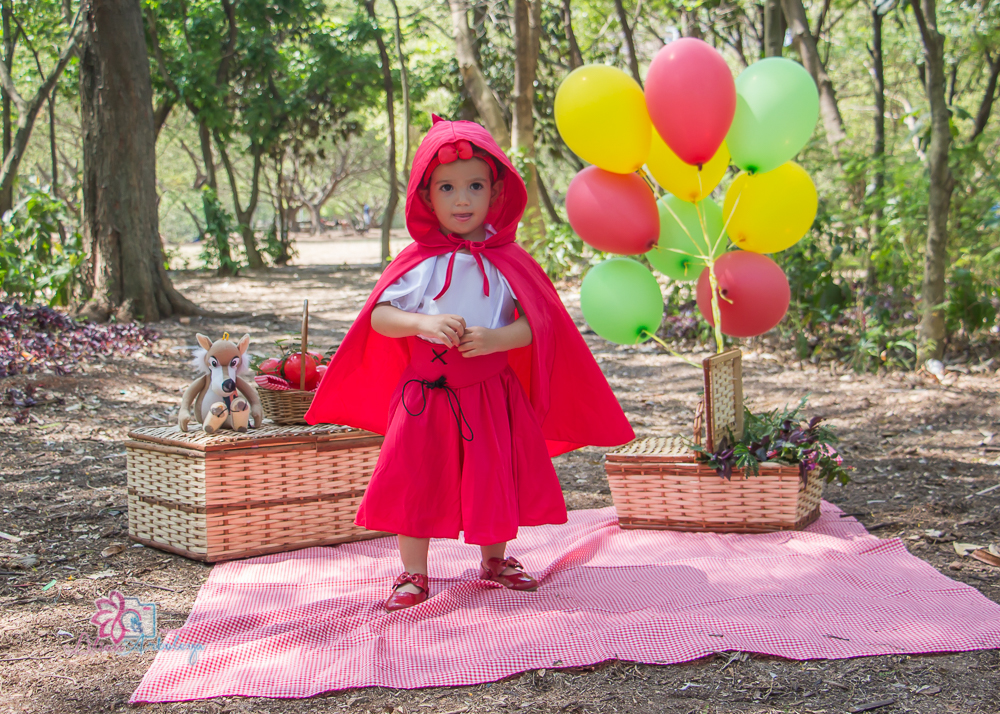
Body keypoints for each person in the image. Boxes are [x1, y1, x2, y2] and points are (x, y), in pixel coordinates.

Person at [306, 116, 634, 611]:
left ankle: (494, 560)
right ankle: (413, 572)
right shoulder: (419, 262)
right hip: (425, 395)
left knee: (491, 476)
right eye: (447, 188)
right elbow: (380, 318)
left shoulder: (508, 260)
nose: (462, 200)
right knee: (414, 479)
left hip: (489, 392)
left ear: (496, 192)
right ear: (426, 196)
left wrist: (497, 338)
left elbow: (538, 326)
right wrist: (421, 323)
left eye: (475, 186)